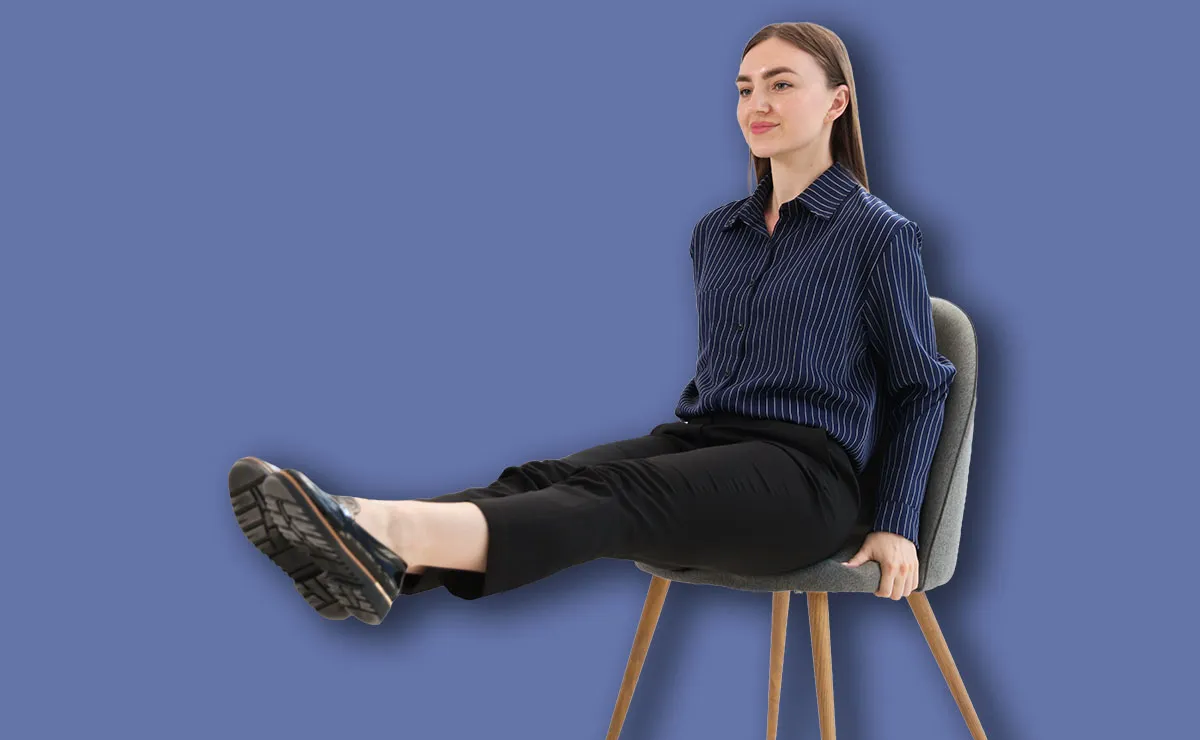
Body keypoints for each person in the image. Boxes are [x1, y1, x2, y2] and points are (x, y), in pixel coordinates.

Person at [228, 22, 957, 627]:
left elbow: (921, 387)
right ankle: (379, 553)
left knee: (613, 500)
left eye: (781, 83)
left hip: (806, 479)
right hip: (707, 440)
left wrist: (895, 520)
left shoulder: (877, 234)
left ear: (837, 102)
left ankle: (373, 526)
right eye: (744, 88)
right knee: (546, 476)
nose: (756, 103)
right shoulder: (718, 233)